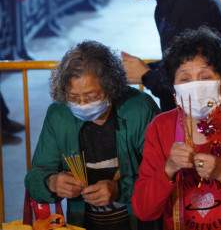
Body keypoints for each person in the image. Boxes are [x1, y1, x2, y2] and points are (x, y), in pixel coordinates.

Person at [132, 27, 221, 229]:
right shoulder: (160, 128)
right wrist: (169, 169)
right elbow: (143, 210)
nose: (195, 86)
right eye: (184, 79)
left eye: (205, 77)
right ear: (174, 88)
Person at [24, 41, 160, 229]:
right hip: (82, 223)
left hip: (137, 221)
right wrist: (52, 183)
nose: (82, 103)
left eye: (92, 96)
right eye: (73, 97)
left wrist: (119, 190)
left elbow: (160, 174)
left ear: (111, 87)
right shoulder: (59, 114)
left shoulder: (140, 108)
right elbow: (34, 178)